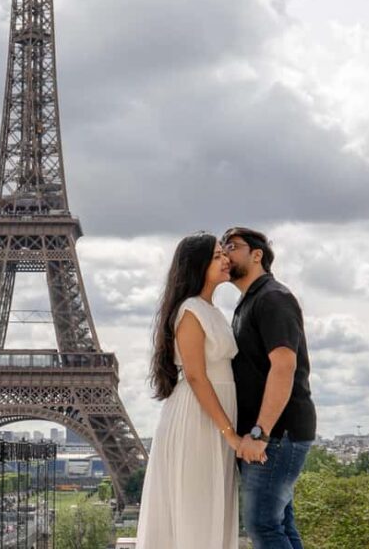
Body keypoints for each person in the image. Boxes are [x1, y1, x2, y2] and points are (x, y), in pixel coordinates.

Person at [136, 232, 243, 549]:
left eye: (225, 253)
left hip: (213, 414)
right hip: (198, 417)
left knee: (208, 505)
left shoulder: (211, 310)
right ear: (197, 265)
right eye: (216, 256)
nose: (226, 260)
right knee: (197, 508)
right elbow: (196, 376)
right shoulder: (191, 310)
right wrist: (230, 434)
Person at [223, 227, 317, 549]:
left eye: (232, 247)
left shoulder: (272, 297)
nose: (225, 253)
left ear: (257, 254)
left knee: (263, 524)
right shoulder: (249, 302)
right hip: (274, 432)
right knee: (279, 524)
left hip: (276, 434)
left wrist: (260, 432)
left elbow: (284, 366)